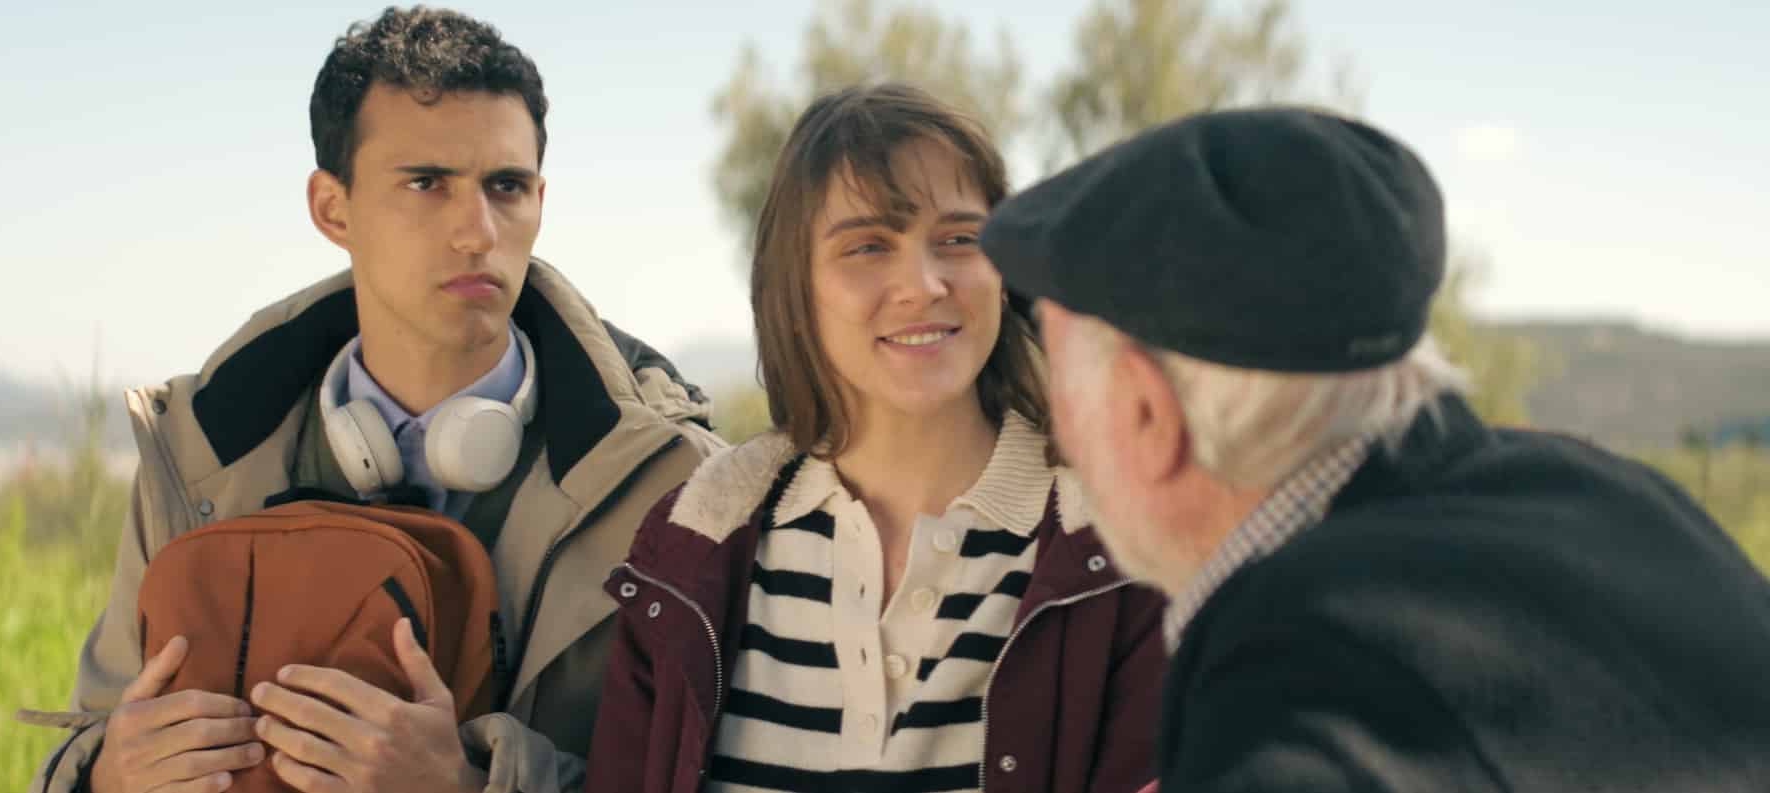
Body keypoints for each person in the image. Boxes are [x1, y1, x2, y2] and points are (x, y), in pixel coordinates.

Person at [24, 7, 723, 793]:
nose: (477, 232)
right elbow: (92, 731)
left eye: (506, 186)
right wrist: (107, 774)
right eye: (426, 183)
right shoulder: (195, 457)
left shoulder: (680, 490)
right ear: (333, 208)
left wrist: (464, 784)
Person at [981, 105, 1770, 791]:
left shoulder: (1300, 715)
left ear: (1148, 414)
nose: (1059, 425)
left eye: (1060, 367)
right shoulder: (1625, 506)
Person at [583, 83, 1169, 793]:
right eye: (867, 246)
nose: (922, 285)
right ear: (794, 288)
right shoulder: (691, 547)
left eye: (959, 239)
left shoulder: (1122, 549)